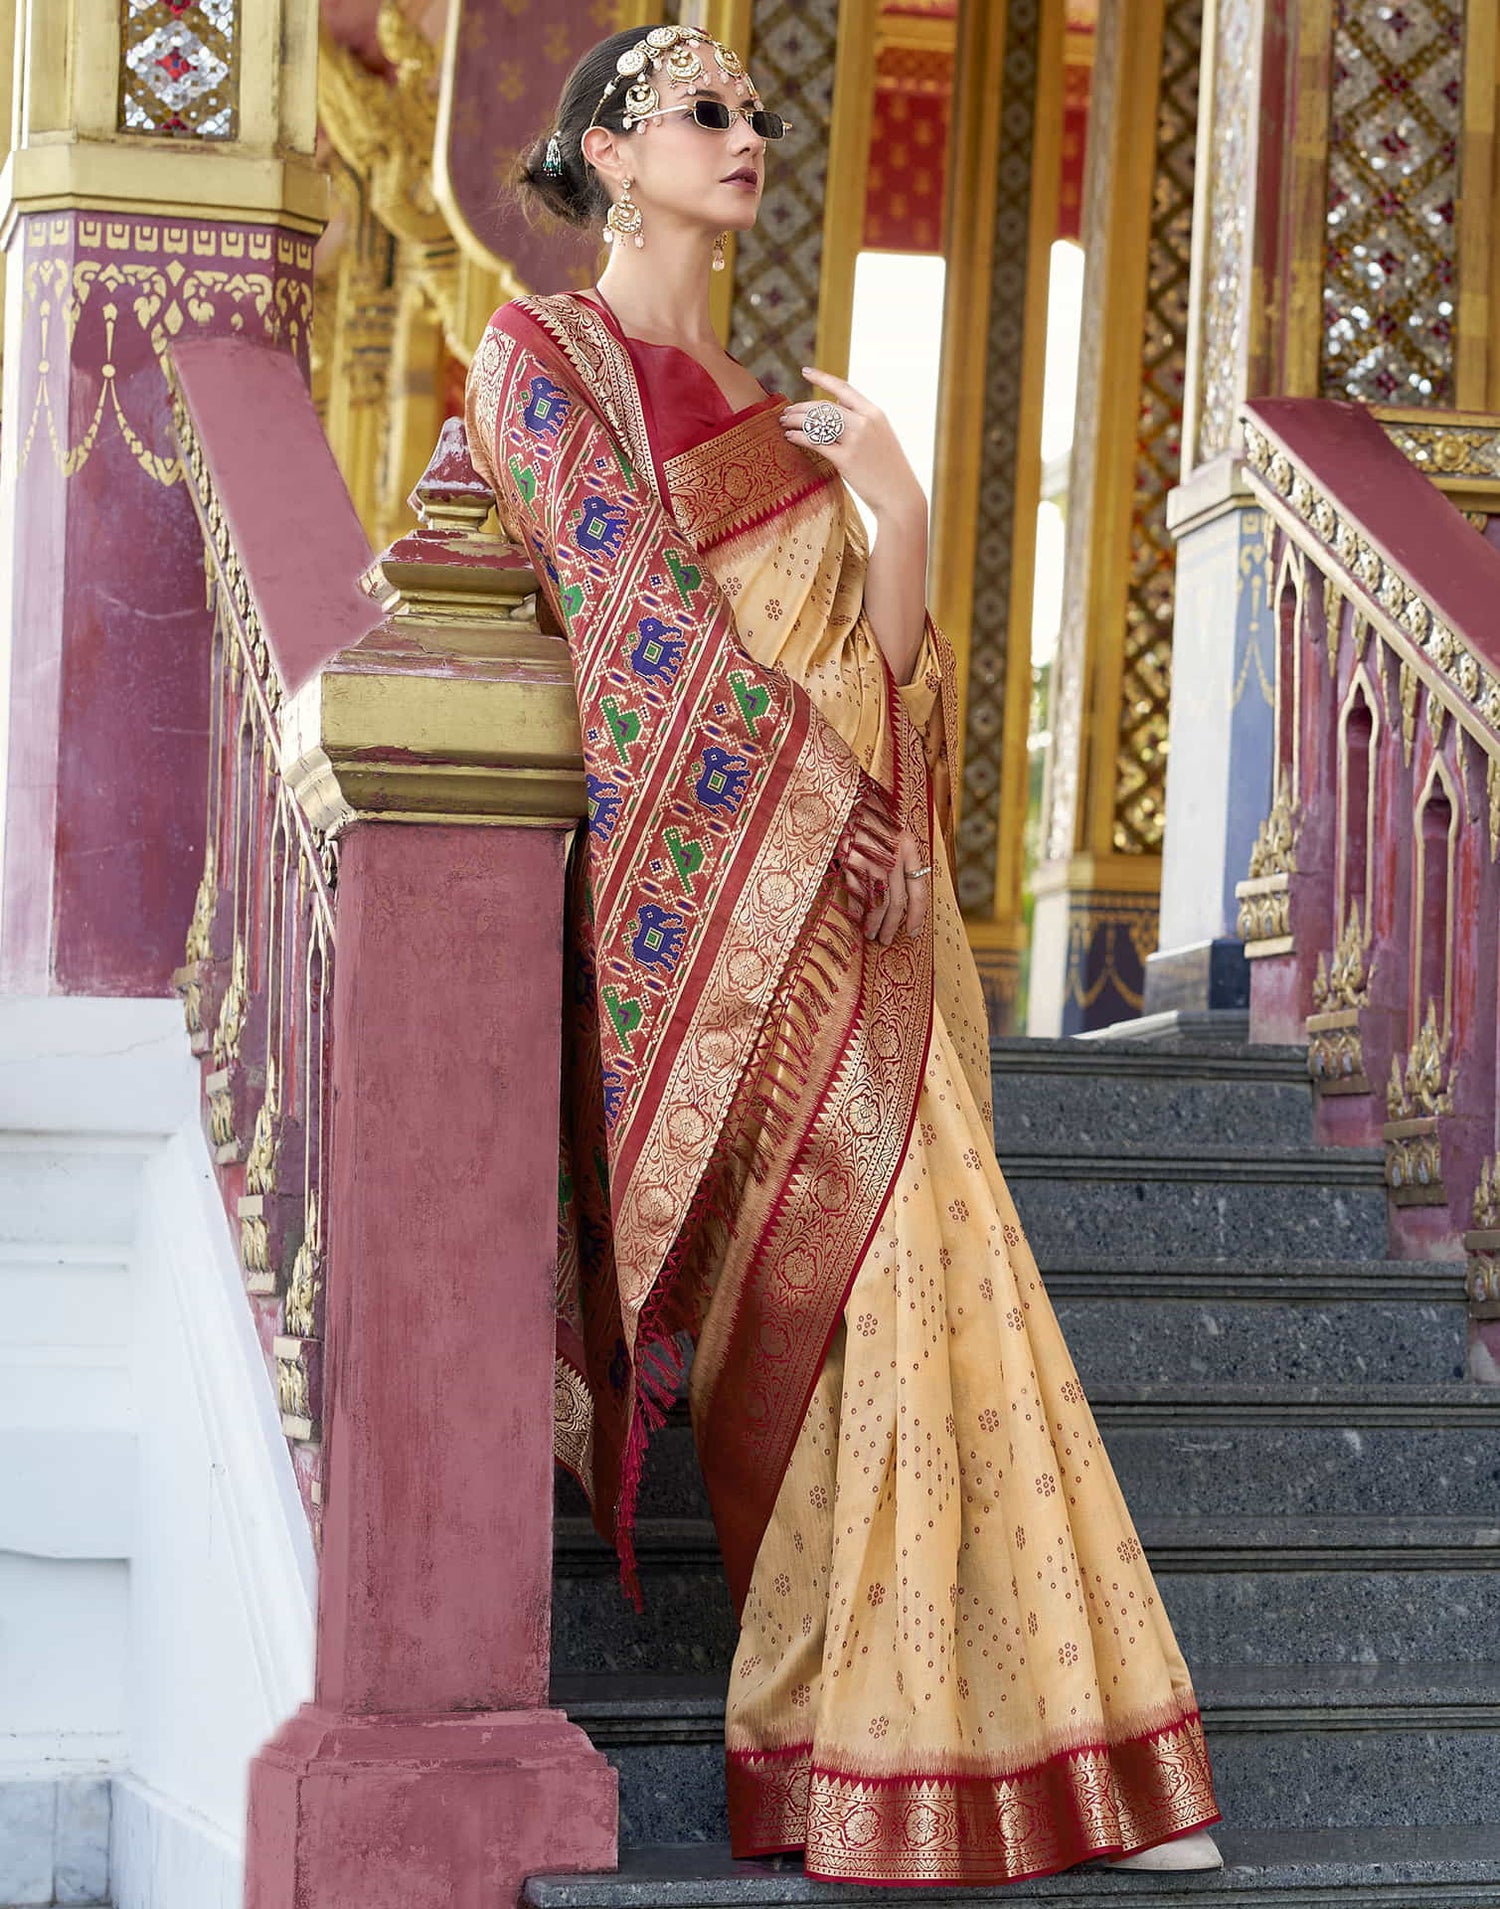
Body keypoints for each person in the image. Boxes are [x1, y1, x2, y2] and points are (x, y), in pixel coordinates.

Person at [463, 21, 1224, 1886]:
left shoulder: (770, 390)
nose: (748, 135)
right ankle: (862, 1733)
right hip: (716, 927)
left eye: (754, 110)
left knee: (947, 1270)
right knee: (872, 1287)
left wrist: (888, 497)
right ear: (613, 152)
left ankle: (1042, 1743)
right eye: (707, 111)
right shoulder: (543, 360)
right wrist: (821, 810)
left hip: (845, 895)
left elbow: (881, 665)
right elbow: (637, 639)